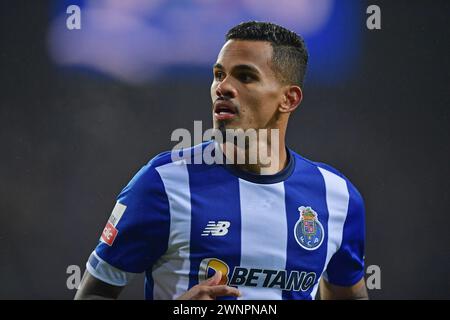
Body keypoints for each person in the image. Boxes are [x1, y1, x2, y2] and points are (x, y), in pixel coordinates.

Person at [75, 21, 368, 300]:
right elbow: (93, 293)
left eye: (245, 76)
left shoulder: (337, 197)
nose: (223, 87)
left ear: (289, 99)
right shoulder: (162, 183)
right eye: (219, 75)